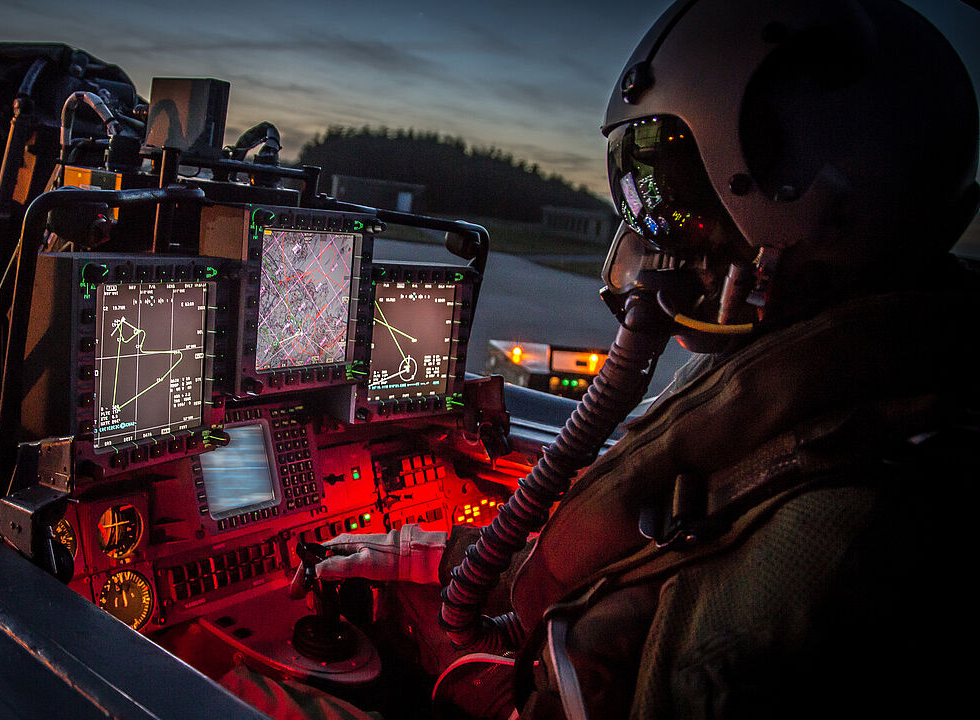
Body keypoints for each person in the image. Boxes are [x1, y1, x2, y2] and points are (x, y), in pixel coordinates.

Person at [246, 0, 980, 717]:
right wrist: (452, 558)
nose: (650, 234)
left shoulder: (829, 551)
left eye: (664, 191)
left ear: (786, 207)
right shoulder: (838, 409)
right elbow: (646, 572)